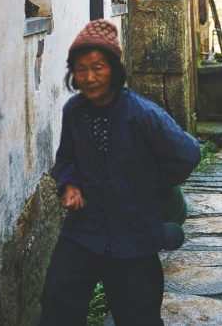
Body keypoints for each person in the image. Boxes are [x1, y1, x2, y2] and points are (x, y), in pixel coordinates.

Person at [40, 20, 201, 326]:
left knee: (138, 314)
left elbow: (188, 152)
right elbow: (66, 158)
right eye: (80, 68)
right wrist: (70, 184)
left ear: (114, 69)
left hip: (134, 233)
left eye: (98, 68)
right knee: (57, 301)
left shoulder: (141, 113)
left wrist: (154, 184)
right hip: (85, 229)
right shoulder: (74, 111)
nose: (89, 77)